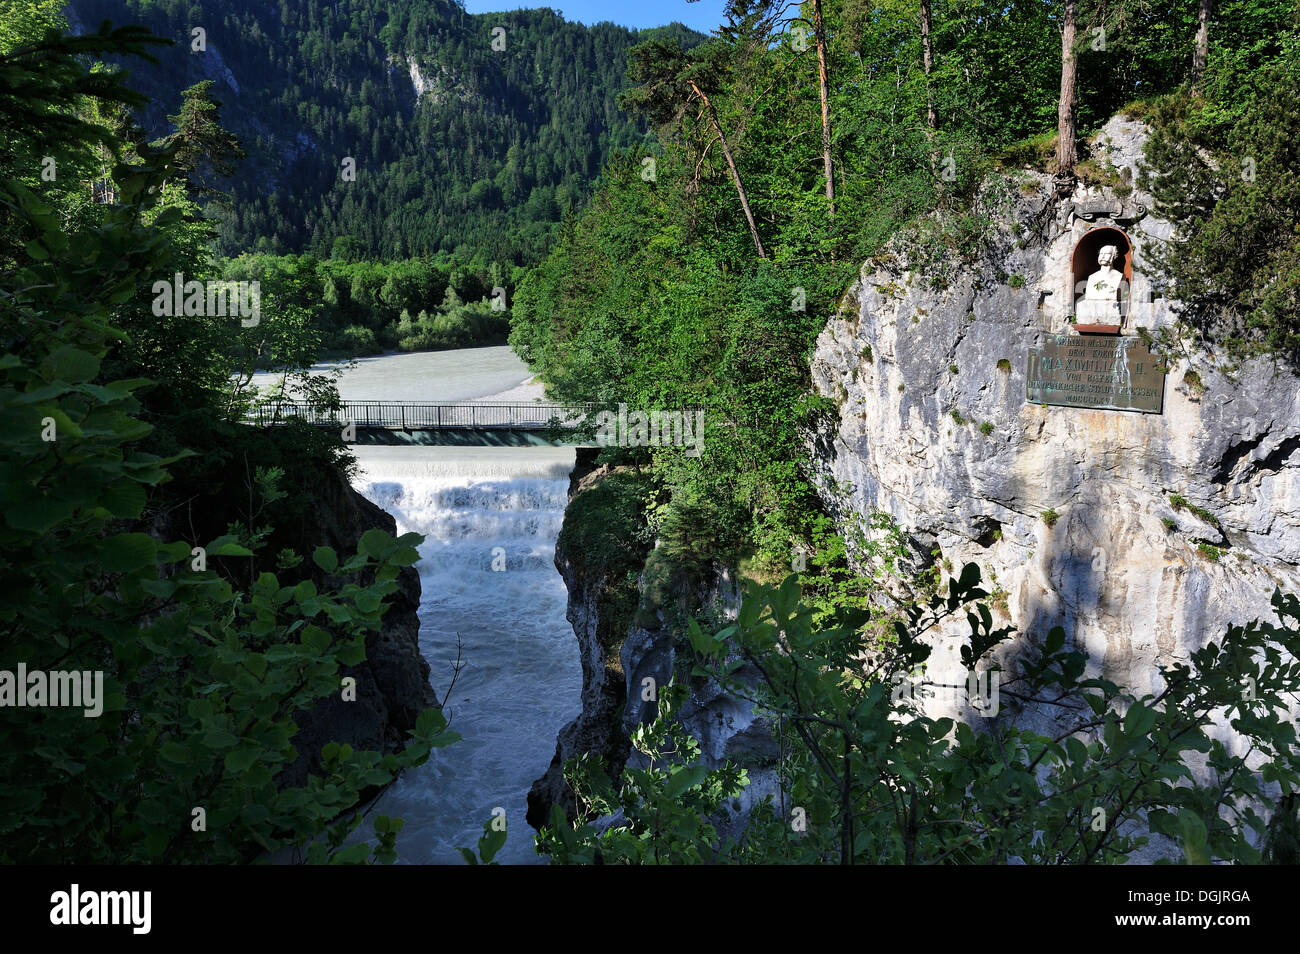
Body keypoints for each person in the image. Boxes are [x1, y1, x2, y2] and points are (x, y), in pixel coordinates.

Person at [1075, 244, 1128, 324]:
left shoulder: (1119, 276)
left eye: (1106, 254)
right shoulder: (1092, 277)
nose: (1102, 256)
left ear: (1114, 256)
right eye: (1101, 254)